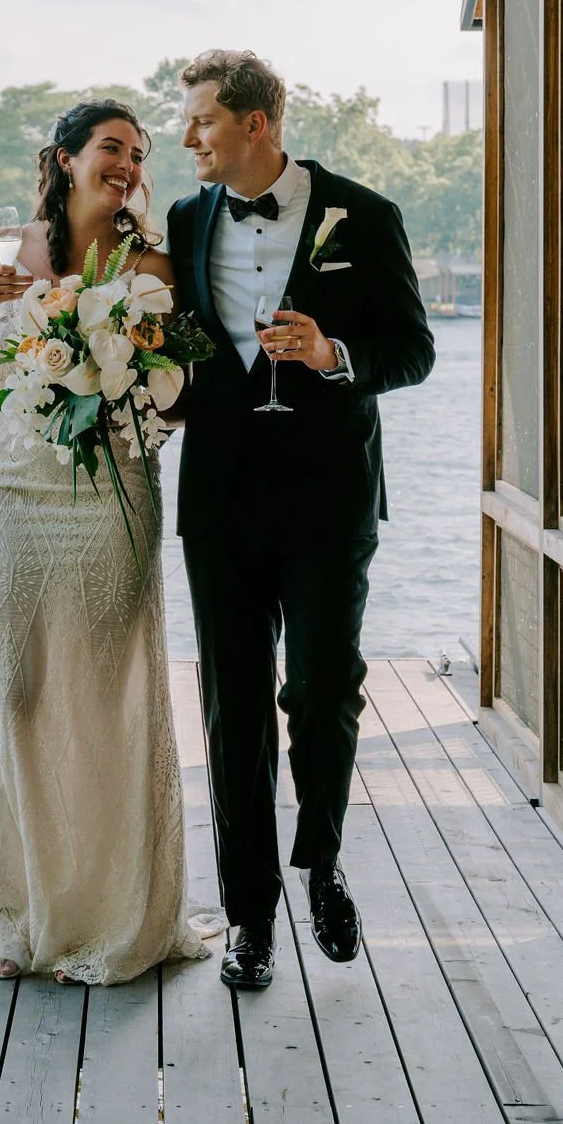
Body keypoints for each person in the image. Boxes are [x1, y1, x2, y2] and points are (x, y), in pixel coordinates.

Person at [0, 99, 213, 985]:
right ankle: (15, 907)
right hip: (11, 483)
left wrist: (148, 357)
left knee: (105, 689)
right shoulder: (6, 252)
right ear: (68, 158)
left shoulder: (153, 261)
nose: (129, 165)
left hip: (114, 487)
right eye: (112, 147)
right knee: (16, 688)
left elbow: (180, 391)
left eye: (139, 155)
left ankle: (110, 914)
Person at [166, 50, 435, 989]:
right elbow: (194, 348)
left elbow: (414, 352)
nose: (187, 136)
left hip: (328, 501)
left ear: (257, 124)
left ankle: (320, 865)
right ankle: (249, 918)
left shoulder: (366, 215)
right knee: (232, 711)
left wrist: (331, 352)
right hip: (219, 504)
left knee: (323, 695)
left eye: (200, 119)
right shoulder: (186, 217)